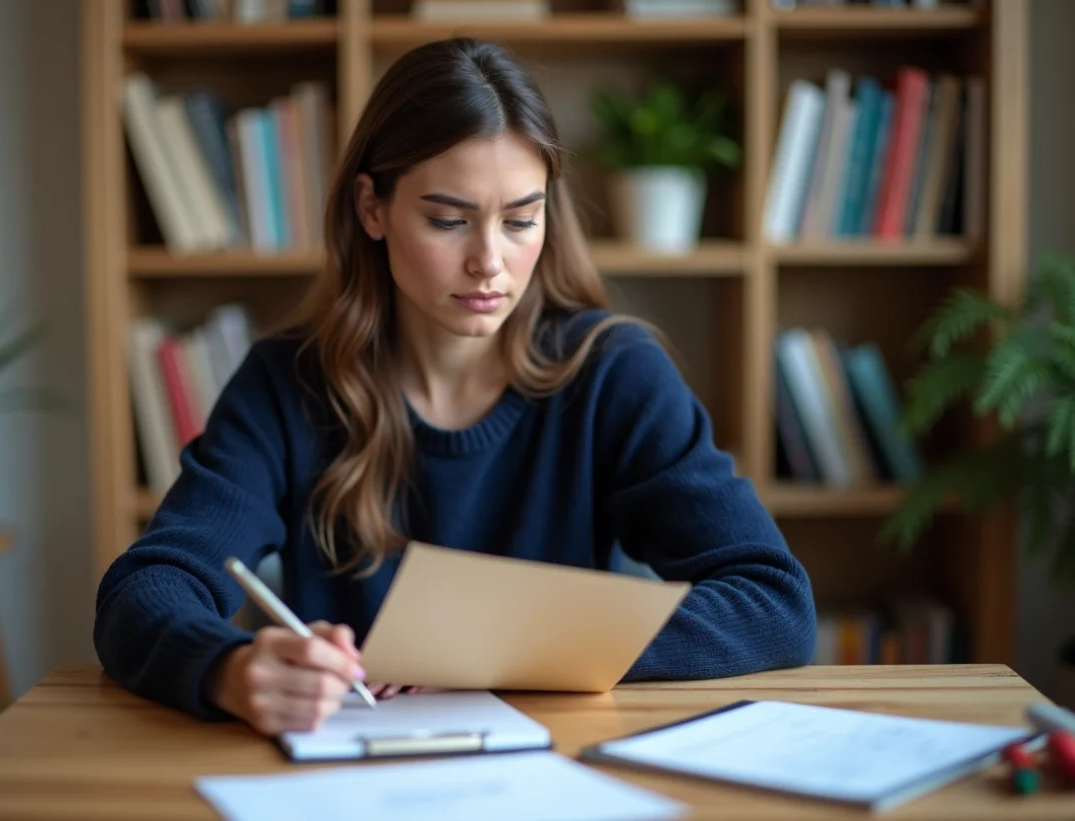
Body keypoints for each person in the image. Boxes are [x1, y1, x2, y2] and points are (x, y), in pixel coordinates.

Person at [94, 36, 816, 738]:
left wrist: (508, 654)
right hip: (350, 770)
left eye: (520, 220)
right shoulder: (288, 383)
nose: (489, 263)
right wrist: (228, 667)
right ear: (371, 208)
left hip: (555, 767)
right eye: (448, 220)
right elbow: (146, 587)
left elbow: (772, 602)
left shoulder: (612, 372)